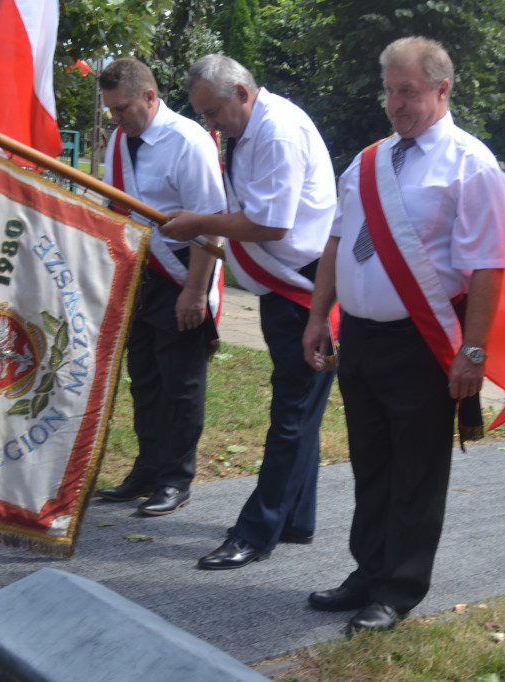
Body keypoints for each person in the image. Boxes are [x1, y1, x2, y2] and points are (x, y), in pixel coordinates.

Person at [301, 37, 505, 632]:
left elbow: (488, 265)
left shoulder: (472, 164)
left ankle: (399, 588)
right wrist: (319, 316)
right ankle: (366, 573)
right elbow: (338, 242)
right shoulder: (367, 162)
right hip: (361, 339)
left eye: (408, 92)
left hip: (422, 344)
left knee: (416, 472)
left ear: (443, 90)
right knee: (371, 465)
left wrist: (473, 351)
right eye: (389, 91)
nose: (394, 103)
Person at [161, 54, 338, 569]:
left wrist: (200, 221)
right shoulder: (255, 125)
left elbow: (273, 224)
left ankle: (257, 531)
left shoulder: (276, 132)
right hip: (287, 285)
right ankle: (294, 518)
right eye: (202, 115)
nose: (209, 125)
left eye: (213, 112)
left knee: (291, 411)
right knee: (299, 408)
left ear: (241, 92)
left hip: (302, 286)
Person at [94, 58, 226, 516]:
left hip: (182, 272)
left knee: (181, 381)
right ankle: (146, 471)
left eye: (123, 108)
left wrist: (194, 292)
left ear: (150, 97)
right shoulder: (118, 140)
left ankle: (175, 477)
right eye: (111, 110)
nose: (116, 118)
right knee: (146, 379)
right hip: (140, 277)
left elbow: (212, 224)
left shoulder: (189, 141)